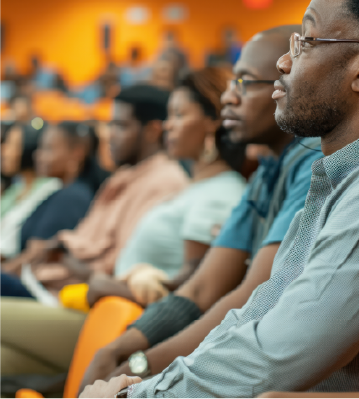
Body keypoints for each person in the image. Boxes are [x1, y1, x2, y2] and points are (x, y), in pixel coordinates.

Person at [81, 0, 359, 399]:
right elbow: (254, 319)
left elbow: (271, 359)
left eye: (306, 42)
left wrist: (137, 396)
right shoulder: (353, 177)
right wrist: (152, 387)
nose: (283, 62)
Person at [79, 25, 323, 388]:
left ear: (289, 82)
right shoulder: (267, 172)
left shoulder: (313, 164)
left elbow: (255, 294)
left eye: (243, 82)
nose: (228, 98)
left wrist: (141, 363)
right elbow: (201, 288)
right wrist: (122, 349)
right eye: (230, 84)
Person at [0, 84, 188, 375]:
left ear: (152, 130)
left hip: (80, 309)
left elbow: (113, 267)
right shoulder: (124, 175)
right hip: (51, 293)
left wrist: (62, 253)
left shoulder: (164, 182)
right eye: (109, 124)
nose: (109, 135)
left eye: (120, 125)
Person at [85, 67, 248, 307]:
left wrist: (106, 286)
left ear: (212, 121)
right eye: (168, 116)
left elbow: (195, 296)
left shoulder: (219, 195)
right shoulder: (198, 187)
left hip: (137, 322)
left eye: (179, 115)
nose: (168, 126)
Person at [0, 122, 107, 265]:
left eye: (48, 149)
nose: (38, 155)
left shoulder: (72, 197)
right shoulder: (62, 191)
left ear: (77, 152)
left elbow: (34, 257)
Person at [0, 123, 62, 263]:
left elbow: (8, 248)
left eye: (11, 144)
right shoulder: (16, 188)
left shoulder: (48, 189)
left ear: (29, 148)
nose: (3, 150)